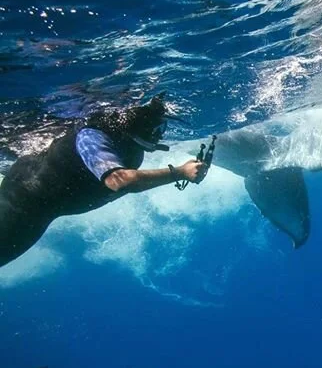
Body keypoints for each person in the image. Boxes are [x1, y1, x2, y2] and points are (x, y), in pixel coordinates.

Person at [0, 94, 207, 268]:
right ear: (138, 124)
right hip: (22, 204)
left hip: (40, 207)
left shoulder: (128, 146)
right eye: (157, 130)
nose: (160, 136)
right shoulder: (91, 137)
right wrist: (179, 173)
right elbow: (119, 181)